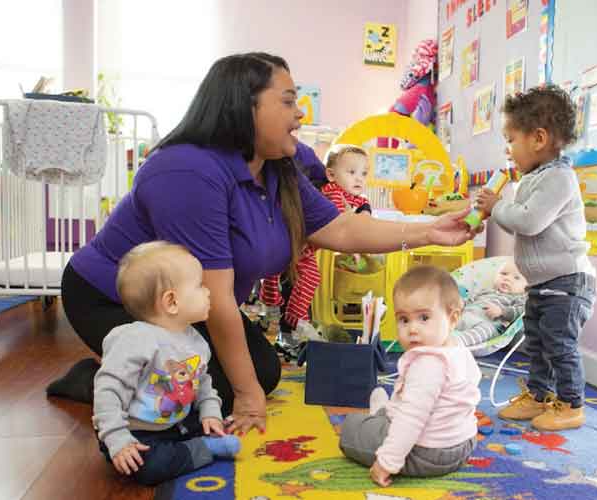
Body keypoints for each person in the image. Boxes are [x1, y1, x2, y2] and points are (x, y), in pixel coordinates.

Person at [49, 52, 478, 436]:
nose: (301, 114)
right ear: (244, 106)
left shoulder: (276, 168)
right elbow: (217, 297)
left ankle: (123, 373)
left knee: (263, 371)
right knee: (196, 390)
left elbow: (341, 230)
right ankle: (108, 379)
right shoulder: (187, 172)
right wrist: (248, 398)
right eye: (288, 101)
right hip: (118, 298)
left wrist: (428, 230)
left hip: (191, 303)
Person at [476, 85, 597, 431]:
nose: (507, 148)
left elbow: (529, 221)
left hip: (569, 282)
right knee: (537, 340)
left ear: (539, 138)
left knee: (559, 343)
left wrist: (496, 207)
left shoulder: (559, 178)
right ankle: (540, 395)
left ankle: (571, 404)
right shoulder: (534, 178)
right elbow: (521, 216)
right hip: (544, 283)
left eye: (511, 138)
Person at [93, 242, 240, 486]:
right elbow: (109, 390)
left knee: (219, 416)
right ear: (171, 301)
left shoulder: (195, 340)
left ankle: (199, 441)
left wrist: (210, 413)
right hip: (136, 432)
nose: (208, 292)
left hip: (176, 423)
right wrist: (117, 438)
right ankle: (205, 449)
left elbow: (203, 384)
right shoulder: (134, 339)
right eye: (200, 286)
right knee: (151, 468)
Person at [340, 266, 480, 487]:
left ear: (453, 318)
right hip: (463, 444)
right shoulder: (459, 351)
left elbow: (412, 419)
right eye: (404, 320)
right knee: (400, 406)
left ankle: (381, 416)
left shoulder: (428, 363)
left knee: (351, 428)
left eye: (424, 317)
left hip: (427, 453)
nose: (412, 329)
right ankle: (384, 413)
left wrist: (387, 462)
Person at [260, 144, 371, 332]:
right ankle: (277, 307)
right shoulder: (333, 192)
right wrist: (355, 246)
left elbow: (363, 210)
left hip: (305, 247)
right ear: (331, 175)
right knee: (276, 271)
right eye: (352, 172)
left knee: (309, 276)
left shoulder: (354, 197)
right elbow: (338, 226)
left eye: (364, 173)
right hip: (294, 239)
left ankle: (292, 315)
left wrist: (364, 214)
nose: (359, 178)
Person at [454, 260, 527, 349]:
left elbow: (520, 312)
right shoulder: (485, 291)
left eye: (516, 278)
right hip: (465, 316)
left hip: (488, 324)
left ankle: (457, 341)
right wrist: (460, 303)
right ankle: (439, 337)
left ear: (526, 286)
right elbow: (469, 301)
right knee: (448, 318)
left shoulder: (519, 298)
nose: (507, 278)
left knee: (486, 331)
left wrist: (502, 312)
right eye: (504, 274)